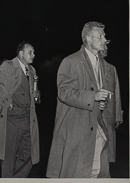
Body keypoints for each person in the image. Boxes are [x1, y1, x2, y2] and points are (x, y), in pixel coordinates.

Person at [46, 21, 114, 178]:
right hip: (77, 128)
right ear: (88, 39)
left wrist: (100, 102)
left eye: (104, 36)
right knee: (77, 173)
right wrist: (93, 97)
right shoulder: (71, 61)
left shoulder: (102, 64)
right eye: (101, 36)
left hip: (96, 125)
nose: (105, 40)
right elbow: (64, 92)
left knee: (96, 171)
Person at [0, 41, 40, 178]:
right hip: (12, 120)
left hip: (28, 119)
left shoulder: (32, 70)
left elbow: (31, 94)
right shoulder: (9, 66)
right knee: (8, 159)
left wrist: (36, 96)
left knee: (30, 155)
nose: (33, 55)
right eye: (30, 52)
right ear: (21, 53)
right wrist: (7, 101)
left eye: (33, 52)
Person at [99, 41, 123, 170]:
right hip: (95, 114)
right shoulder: (90, 67)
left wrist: (118, 115)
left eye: (107, 45)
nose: (106, 47)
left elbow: (116, 93)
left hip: (109, 115)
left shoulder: (111, 69)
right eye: (104, 44)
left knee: (107, 154)